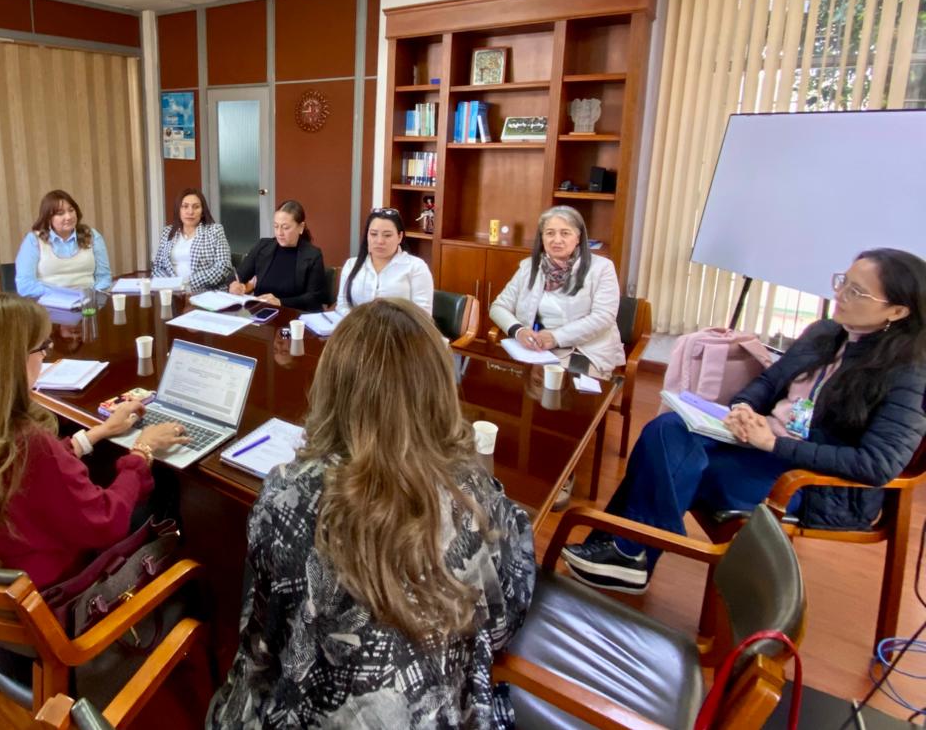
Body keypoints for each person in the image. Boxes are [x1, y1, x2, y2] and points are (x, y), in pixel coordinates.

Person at [208, 298, 535, 728]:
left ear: (333, 386)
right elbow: (501, 621)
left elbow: (263, 642)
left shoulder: (286, 492)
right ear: (438, 392)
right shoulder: (474, 498)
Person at [563, 249, 926, 594]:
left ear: (896, 311)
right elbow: (768, 382)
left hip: (809, 483)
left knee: (673, 463)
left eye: (856, 291)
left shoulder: (907, 373)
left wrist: (775, 444)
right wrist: (743, 407)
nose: (841, 295)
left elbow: (877, 465)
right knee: (666, 430)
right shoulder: (825, 333)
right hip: (759, 443)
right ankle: (633, 550)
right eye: (842, 281)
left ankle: (629, 550)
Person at [0, 292, 188, 590]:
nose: (45, 355)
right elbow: (105, 523)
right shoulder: (28, 444)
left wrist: (97, 433)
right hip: (54, 596)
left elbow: (22, 469)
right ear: (12, 361)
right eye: (42, 347)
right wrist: (142, 452)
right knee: (160, 495)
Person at [490, 205, 624, 379]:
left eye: (565, 233)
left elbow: (603, 317)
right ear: (542, 238)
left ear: (578, 238)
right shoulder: (528, 267)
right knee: (511, 388)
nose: (557, 240)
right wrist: (519, 331)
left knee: (568, 396)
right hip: (534, 349)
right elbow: (498, 307)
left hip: (583, 351)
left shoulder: (601, 268)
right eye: (550, 233)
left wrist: (555, 337)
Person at [227, 200, 328, 311]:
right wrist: (234, 284)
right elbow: (238, 274)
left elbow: (314, 297)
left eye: (285, 228)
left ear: (301, 227)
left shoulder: (312, 255)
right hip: (261, 312)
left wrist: (280, 302)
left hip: (294, 316)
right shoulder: (263, 247)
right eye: (276, 226)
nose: (279, 233)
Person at [335, 208, 433, 316]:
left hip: (401, 331)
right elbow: (342, 304)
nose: (379, 241)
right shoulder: (351, 265)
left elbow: (423, 315)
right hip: (359, 330)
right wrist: (359, 323)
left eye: (387, 235)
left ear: (399, 237)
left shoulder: (416, 267)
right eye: (373, 234)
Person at [15, 190, 112, 297]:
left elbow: (104, 276)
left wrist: (92, 297)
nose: (69, 217)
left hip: (88, 303)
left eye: (71, 210)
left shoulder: (92, 235)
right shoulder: (34, 240)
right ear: (48, 218)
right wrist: (62, 296)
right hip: (49, 303)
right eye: (60, 213)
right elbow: (25, 285)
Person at [150, 188, 232, 292]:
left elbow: (223, 267)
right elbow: (158, 266)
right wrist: (171, 284)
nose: (190, 211)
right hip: (172, 292)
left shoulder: (215, 230)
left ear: (202, 211)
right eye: (185, 206)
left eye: (196, 207)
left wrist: (186, 282)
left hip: (205, 292)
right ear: (178, 210)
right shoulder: (168, 232)